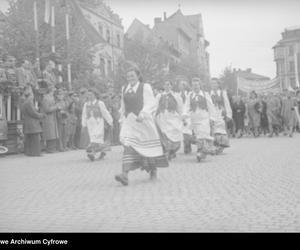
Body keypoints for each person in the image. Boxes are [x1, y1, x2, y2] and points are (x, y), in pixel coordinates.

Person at [115, 68, 169, 186]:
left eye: (132, 76)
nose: (130, 78)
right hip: (130, 122)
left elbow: (151, 102)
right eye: (128, 76)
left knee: (147, 148)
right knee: (128, 145)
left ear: (138, 76)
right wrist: (121, 119)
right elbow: (123, 106)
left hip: (143, 122)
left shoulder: (145, 87)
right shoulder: (124, 88)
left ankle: (153, 170)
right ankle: (124, 174)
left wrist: (143, 114)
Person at [184, 77, 216, 162]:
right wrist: (184, 115)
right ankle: (203, 152)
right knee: (198, 136)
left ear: (200, 85)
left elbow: (211, 107)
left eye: (197, 85)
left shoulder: (205, 95)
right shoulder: (190, 95)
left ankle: (201, 153)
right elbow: (186, 106)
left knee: (203, 135)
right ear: (192, 86)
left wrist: (212, 118)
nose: (195, 87)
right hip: (194, 120)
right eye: (193, 85)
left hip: (204, 119)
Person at [81, 89, 113, 161]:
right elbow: (84, 115)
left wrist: (110, 121)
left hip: (98, 123)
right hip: (90, 124)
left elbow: (105, 113)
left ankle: (93, 153)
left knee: (97, 138)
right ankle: (102, 152)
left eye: (91, 95)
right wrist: (83, 124)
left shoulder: (100, 103)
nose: (90, 96)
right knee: (93, 138)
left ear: (95, 95)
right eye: (88, 95)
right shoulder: (86, 104)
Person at [155, 80, 183, 160]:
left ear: (171, 86)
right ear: (163, 86)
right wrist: (154, 115)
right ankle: (166, 151)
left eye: (168, 85)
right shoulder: (159, 96)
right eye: (165, 85)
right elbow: (155, 106)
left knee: (173, 134)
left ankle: (172, 150)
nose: (167, 86)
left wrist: (182, 118)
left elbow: (180, 108)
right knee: (164, 134)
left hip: (172, 117)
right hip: (163, 117)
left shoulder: (176, 96)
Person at [21, 86, 45, 156]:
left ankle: (30, 153)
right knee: (35, 139)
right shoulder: (29, 102)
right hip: (32, 123)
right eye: (31, 91)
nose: (33, 95)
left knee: (30, 139)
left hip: (28, 123)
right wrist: (41, 115)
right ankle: (36, 153)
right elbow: (33, 113)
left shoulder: (25, 101)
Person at [210, 78, 232, 154]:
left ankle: (221, 147)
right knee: (213, 130)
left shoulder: (223, 93)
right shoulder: (209, 93)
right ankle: (215, 146)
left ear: (218, 84)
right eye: (212, 83)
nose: (213, 85)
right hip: (213, 114)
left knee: (221, 130)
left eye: (215, 83)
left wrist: (229, 114)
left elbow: (227, 103)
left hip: (221, 114)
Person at [40, 81, 59, 153]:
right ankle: (49, 149)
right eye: (54, 89)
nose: (55, 91)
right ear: (51, 90)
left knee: (52, 133)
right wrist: (56, 107)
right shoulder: (46, 98)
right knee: (50, 134)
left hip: (52, 118)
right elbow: (47, 109)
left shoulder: (51, 97)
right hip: (48, 118)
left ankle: (52, 148)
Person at [177, 78, 193, 154]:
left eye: (182, 86)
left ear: (185, 87)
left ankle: (188, 147)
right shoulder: (177, 95)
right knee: (183, 132)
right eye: (180, 86)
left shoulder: (189, 94)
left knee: (187, 131)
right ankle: (186, 147)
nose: (181, 87)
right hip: (180, 115)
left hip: (188, 115)